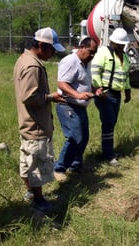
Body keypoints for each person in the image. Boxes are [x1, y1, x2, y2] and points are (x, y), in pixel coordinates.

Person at [13, 27, 66, 212]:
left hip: (28, 124)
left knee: (28, 162)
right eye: (52, 50)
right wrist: (50, 97)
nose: (53, 55)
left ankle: (30, 192)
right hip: (35, 126)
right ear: (42, 46)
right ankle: (38, 200)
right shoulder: (32, 66)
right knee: (35, 165)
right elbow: (29, 97)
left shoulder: (24, 59)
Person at [54, 37, 98, 181]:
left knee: (83, 137)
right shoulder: (70, 61)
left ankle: (75, 166)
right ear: (81, 47)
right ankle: (59, 168)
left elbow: (85, 82)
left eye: (94, 53)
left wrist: (95, 90)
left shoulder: (85, 63)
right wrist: (78, 94)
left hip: (79, 106)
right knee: (74, 137)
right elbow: (62, 84)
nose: (92, 55)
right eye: (90, 52)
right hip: (67, 105)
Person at [91, 28, 131, 166]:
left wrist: (127, 90)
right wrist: (97, 89)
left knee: (111, 123)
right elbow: (95, 70)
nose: (120, 46)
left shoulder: (125, 56)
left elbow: (125, 75)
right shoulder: (103, 52)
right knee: (108, 122)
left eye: (122, 44)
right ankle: (108, 155)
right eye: (117, 44)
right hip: (105, 94)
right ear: (112, 42)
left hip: (117, 94)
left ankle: (108, 151)